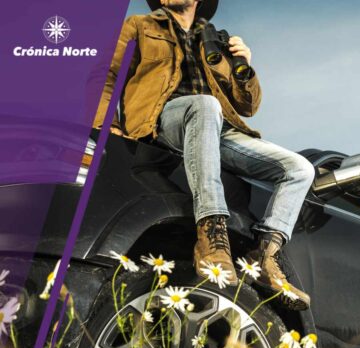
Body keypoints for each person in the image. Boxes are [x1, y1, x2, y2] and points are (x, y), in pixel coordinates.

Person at [93, 0, 312, 310]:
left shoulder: (216, 42)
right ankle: (212, 235)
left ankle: (264, 257)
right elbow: (106, 74)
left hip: (216, 128)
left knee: (300, 169)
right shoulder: (140, 26)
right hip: (162, 121)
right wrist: (106, 125)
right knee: (205, 104)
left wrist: (244, 65)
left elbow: (247, 106)